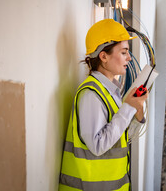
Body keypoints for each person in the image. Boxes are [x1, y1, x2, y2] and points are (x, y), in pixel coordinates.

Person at [59, 19, 148, 191]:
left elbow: (120, 138)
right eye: (124, 52)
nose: (129, 58)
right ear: (103, 56)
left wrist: (137, 112)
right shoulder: (91, 94)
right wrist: (127, 107)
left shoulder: (111, 91)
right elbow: (98, 146)